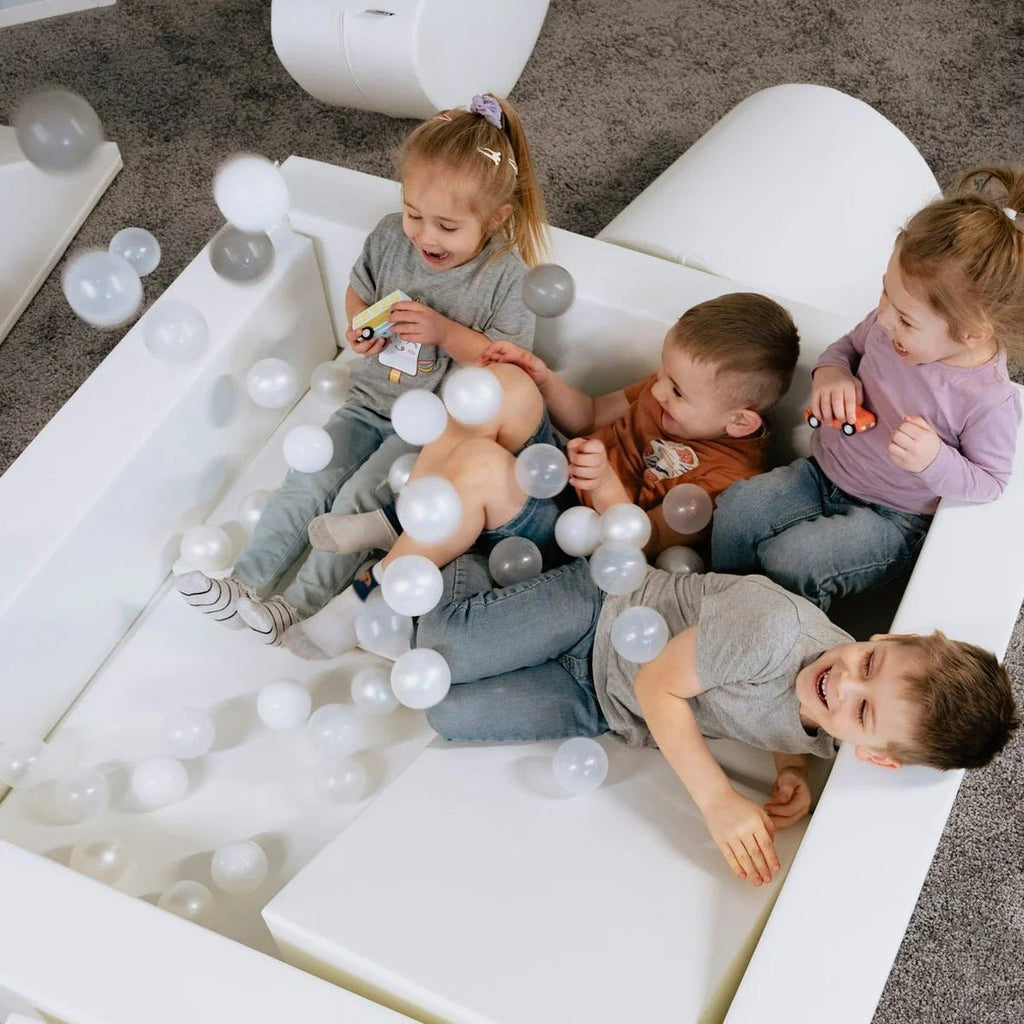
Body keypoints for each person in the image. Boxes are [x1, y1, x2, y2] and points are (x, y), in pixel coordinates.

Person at [175, 94, 549, 641]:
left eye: (446, 227)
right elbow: (360, 289)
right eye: (414, 214)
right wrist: (358, 327)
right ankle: (246, 582)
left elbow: (506, 371)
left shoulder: (505, 277)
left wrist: (445, 333)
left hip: (432, 432)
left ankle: (295, 607)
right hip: (370, 402)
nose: (424, 236)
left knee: (358, 500)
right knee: (309, 482)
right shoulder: (389, 238)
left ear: (497, 219)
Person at [410, 552, 1019, 887]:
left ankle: (479, 605)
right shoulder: (775, 629)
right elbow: (658, 684)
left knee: (443, 709)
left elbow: (792, 725)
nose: (842, 682)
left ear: (875, 754)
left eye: (862, 710)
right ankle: (468, 561)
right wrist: (719, 800)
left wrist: (792, 772)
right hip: (601, 613)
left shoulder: (833, 733)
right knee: (438, 652)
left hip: (600, 701)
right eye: (868, 660)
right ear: (890, 635)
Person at [282, 292, 800, 658]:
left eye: (678, 392)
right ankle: (404, 519)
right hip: (559, 474)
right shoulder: (672, 387)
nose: (660, 392)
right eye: (663, 375)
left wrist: (602, 486)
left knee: (482, 467)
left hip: (571, 541)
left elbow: (642, 551)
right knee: (501, 383)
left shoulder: (729, 478)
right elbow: (590, 414)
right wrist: (543, 377)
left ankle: (361, 600)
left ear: (740, 422)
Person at [712, 166, 1024, 609]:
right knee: (739, 508)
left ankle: (777, 648)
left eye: (906, 319)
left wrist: (934, 459)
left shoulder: (988, 401)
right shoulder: (887, 327)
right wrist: (832, 374)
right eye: (884, 294)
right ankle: (714, 605)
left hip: (894, 519)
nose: (884, 318)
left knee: (794, 561)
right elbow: (845, 348)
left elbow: (990, 483)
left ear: (973, 333)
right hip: (824, 472)